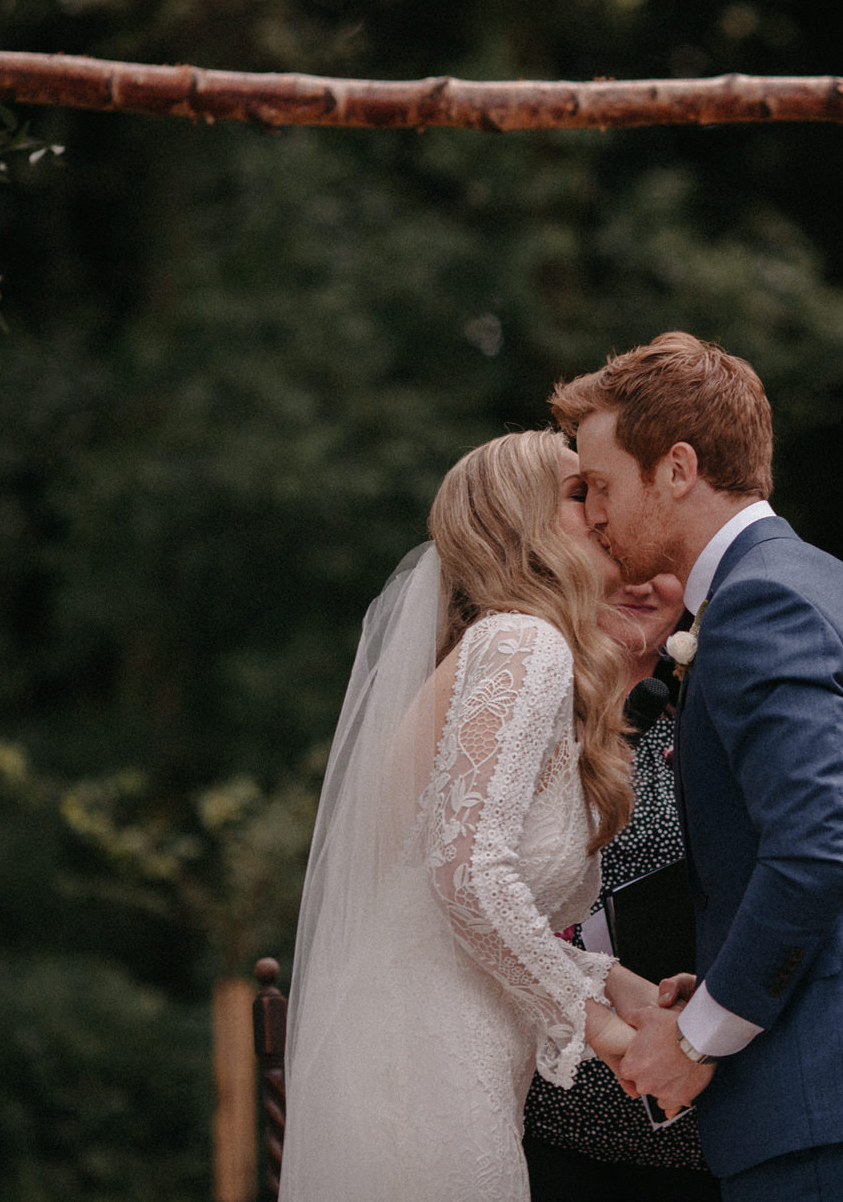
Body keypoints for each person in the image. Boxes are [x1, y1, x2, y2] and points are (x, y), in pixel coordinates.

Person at [548, 332, 843, 1202]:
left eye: (605, 486)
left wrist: (696, 1035)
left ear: (678, 467)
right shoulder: (823, 583)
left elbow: (814, 855)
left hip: (832, 1076)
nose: (595, 515)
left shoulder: (761, 604)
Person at [280, 429, 670, 1202]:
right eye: (576, 491)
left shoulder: (502, 650)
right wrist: (598, 1023)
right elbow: (466, 875)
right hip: (428, 1070)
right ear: (523, 522)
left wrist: (614, 979)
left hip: (439, 1052)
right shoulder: (525, 644)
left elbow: (445, 909)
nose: (600, 510)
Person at [522, 570, 721, 1200]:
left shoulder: (718, 720)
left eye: (658, 568)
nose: (638, 585)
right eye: (616, 566)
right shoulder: (537, 718)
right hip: (563, 1112)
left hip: (714, 1109)